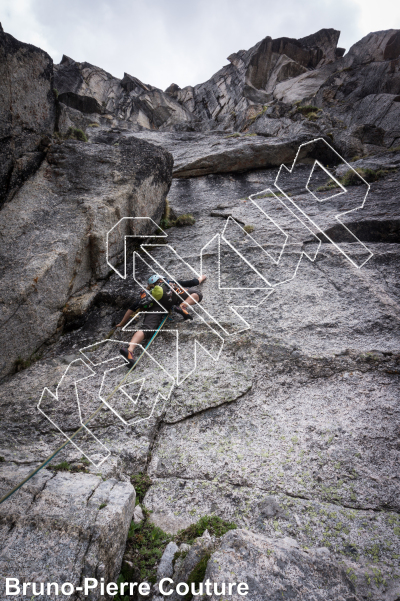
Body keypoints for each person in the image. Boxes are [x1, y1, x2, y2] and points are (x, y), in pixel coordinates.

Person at [116, 274, 206, 367]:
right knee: (197, 294)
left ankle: (130, 350)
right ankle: (182, 306)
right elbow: (194, 282)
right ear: (162, 279)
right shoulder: (171, 283)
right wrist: (202, 277)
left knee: (146, 328)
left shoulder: (149, 293)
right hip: (172, 293)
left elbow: (132, 308)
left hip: (155, 304)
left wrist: (122, 323)